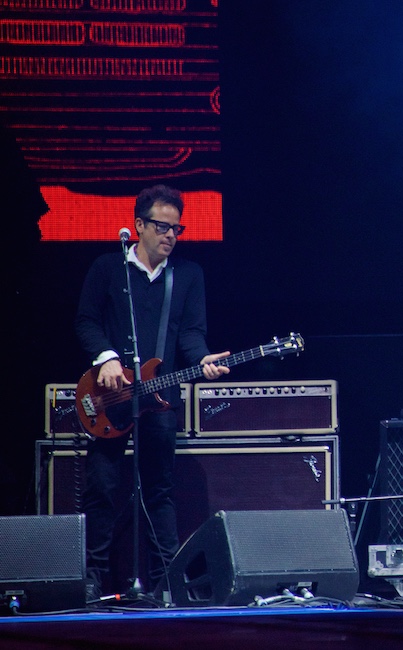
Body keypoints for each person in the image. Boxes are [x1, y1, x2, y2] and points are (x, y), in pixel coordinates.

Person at [75, 184, 230, 599]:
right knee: (103, 489)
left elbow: (192, 334)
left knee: (160, 490)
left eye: (177, 228)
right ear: (139, 225)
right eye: (162, 226)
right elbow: (86, 321)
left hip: (159, 398)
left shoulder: (188, 275)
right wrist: (106, 357)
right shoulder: (108, 268)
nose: (171, 235)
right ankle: (93, 579)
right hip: (109, 399)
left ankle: (165, 582)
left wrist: (202, 360)